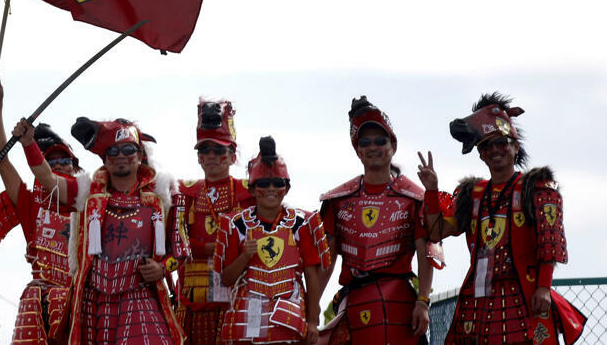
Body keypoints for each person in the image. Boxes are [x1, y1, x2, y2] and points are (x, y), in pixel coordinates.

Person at [417, 92, 586, 345]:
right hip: (479, 300)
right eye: (487, 145)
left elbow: (550, 241)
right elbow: (436, 231)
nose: (495, 150)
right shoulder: (472, 194)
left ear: (515, 147)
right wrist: (431, 190)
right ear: (480, 154)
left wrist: (543, 287)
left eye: (501, 143)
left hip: (524, 295)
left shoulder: (536, 187)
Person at [18, 115, 184, 345]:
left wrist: (162, 268)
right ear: (104, 159)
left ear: (140, 155)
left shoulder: (164, 197)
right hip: (95, 302)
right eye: (113, 152)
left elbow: (181, 251)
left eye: (128, 149)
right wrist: (28, 144)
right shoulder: (87, 193)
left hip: (141, 296)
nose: (121, 156)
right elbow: (48, 180)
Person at [317, 96, 439, 345]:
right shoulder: (338, 200)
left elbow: (426, 250)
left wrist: (423, 302)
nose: (374, 147)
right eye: (366, 142)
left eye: (380, 141)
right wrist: (310, 311)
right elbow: (325, 260)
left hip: (400, 304)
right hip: (353, 303)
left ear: (392, 146)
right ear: (358, 150)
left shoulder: (413, 197)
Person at [0, 76, 81, 345]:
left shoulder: (90, 199)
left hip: (84, 301)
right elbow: (1, 161)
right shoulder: (32, 203)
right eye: (51, 161)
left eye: (65, 160)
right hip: (41, 308)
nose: (59, 166)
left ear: (75, 166)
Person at [215, 136, 330, 345]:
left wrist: (313, 321)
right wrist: (244, 257)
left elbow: (311, 277)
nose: (270, 188)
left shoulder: (302, 223)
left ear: (286, 188)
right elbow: (225, 279)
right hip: (246, 315)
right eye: (263, 183)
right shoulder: (235, 224)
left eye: (277, 183)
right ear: (251, 189)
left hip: (289, 313)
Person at [175, 99, 254, 345]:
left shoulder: (249, 192)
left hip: (238, 299)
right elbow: (176, 244)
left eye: (219, 151)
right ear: (198, 157)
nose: (211, 156)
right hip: (193, 300)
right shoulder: (183, 192)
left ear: (232, 156)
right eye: (204, 150)